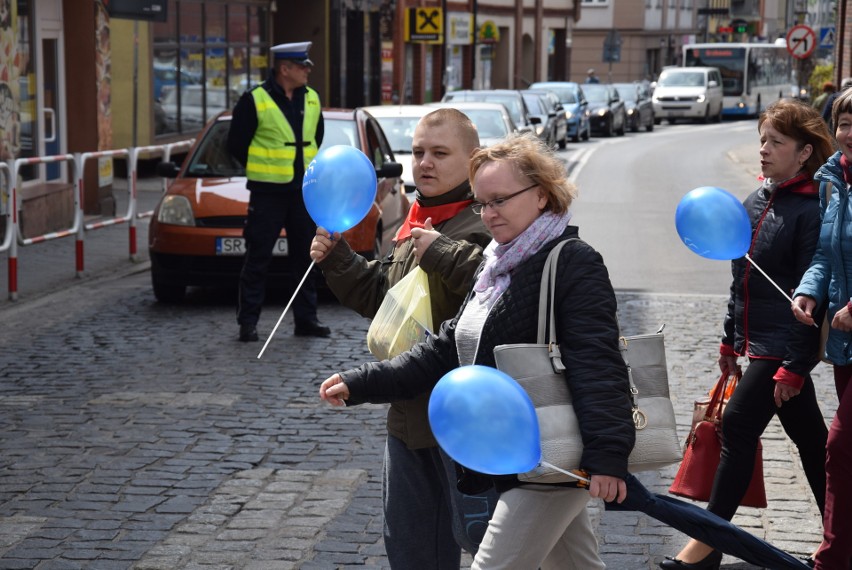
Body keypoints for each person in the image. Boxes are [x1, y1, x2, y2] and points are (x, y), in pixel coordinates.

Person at [319, 132, 636, 570]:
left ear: (542, 196)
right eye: (482, 203)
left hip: (554, 452)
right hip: (524, 455)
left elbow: (598, 362)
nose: (488, 214)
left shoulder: (573, 262)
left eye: (500, 200)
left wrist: (607, 455)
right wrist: (361, 382)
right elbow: (444, 350)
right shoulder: (496, 266)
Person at [310, 107, 493, 568]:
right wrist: (338, 258)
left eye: (439, 153)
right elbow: (385, 299)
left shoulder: (487, 223)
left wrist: (440, 251)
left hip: (465, 423)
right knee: (412, 551)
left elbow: (494, 291)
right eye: (417, 153)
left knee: (489, 548)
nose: (424, 163)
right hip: (409, 419)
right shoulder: (416, 222)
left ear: (472, 160)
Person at [662, 99, 832, 570]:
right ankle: (843, 540)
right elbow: (742, 281)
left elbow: (810, 296)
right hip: (755, 346)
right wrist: (727, 340)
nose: (763, 150)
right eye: (762, 140)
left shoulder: (811, 209)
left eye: (776, 142)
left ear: (803, 152)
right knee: (814, 446)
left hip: (782, 349)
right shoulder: (755, 201)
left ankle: (704, 548)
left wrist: (795, 368)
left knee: (736, 427)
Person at [227, 41, 329, 342]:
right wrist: (263, 168)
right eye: (302, 66)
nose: (307, 71)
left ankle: (306, 320)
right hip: (267, 193)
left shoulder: (311, 98)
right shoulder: (254, 100)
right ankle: (248, 323)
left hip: (303, 192)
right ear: (284, 69)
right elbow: (235, 144)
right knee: (258, 258)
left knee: (306, 257)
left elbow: (316, 137)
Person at [792, 87, 852, 570]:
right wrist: (810, 290)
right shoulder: (833, 180)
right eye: (844, 122)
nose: (850, 133)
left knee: (838, 446)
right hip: (844, 339)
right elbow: (825, 255)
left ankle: (833, 556)